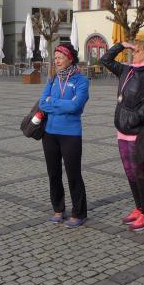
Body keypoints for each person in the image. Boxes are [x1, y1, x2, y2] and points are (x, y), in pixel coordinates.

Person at [101, 40, 144, 231]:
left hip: (137, 132)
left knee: (139, 173)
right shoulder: (127, 70)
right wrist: (123, 45)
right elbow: (105, 60)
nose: (134, 53)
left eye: (138, 51)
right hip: (122, 131)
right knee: (129, 172)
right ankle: (138, 207)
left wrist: (133, 119)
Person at [38, 43, 90, 228]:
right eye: (55, 58)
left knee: (73, 174)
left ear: (70, 59)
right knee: (53, 174)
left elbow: (76, 106)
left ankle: (79, 213)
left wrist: (53, 102)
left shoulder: (81, 80)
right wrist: (63, 104)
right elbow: (42, 103)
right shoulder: (52, 79)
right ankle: (58, 209)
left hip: (71, 134)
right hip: (49, 133)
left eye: (60, 57)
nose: (57, 61)